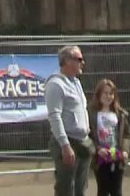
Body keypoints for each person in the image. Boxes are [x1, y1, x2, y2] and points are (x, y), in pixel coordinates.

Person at [45, 45, 92, 196]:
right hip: (68, 143)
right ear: (66, 61)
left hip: (82, 141)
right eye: (79, 59)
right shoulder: (55, 84)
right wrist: (65, 145)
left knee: (81, 187)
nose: (82, 62)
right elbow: (54, 116)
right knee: (66, 188)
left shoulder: (76, 82)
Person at [90, 79, 130, 196]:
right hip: (100, 158)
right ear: (99, 94)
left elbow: (127, 134)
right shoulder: (91, 114)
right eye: (105, 93)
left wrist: (125, 151)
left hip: (117, 157)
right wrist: (98, 149)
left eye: (111, 93)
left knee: (116, 191)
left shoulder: (120, 114)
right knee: (102, 190)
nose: (108, 96)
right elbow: (88, 136)